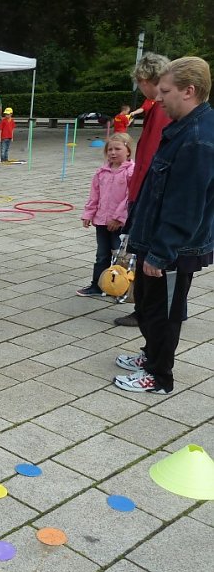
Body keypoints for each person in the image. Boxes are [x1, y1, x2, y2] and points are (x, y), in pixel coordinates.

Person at [113, 57, 214, 395]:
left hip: (171, 248)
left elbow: (185, 205)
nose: (159, 98)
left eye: (166, 91)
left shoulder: (198, 138)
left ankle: (160, 377)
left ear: (190, 91)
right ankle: (149, 355)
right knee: (147, 304)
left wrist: (160, 252)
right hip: (156, 239)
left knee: (165, 312)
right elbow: (156, 189)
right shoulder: (183, 127)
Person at [114, 53, 173, 327]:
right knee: (142, 254)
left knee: (146, 256)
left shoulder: (162, 110)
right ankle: (146, 309)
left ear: (146, 80)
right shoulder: (157, 109)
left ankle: (145, 311)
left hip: (149, 194)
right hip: (144, 190)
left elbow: (151, 158)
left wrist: (137, 197)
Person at [76, 133, 135, 297]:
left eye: (118, 149)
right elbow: (94, 195)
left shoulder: (131, 172)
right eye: (110, 149)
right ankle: (98, 285)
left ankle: (120, 287)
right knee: (102, 255)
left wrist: (118, 218)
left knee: (120, 256)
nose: (113, 152)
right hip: (101, 221)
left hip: (120, 224)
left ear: (128, 151)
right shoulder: (101, 172)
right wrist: (88, 213)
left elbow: (130, 197)